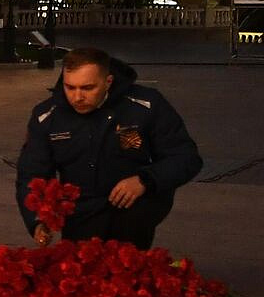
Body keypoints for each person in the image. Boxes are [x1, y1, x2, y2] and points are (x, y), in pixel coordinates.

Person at [16, 46, 202, 251]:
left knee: (125, 258)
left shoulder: (147, 105)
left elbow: (185, 157)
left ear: (108, 81)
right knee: (81, 262)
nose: (77, 97)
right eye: (70, 87)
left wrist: (145, 180)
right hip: (81, 209)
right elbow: (32, 173)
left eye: (87, 88)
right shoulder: (47, 116)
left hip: (134, 205)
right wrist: (37, 219)